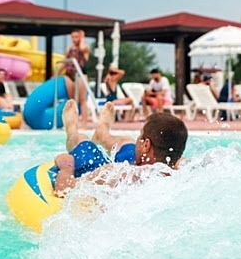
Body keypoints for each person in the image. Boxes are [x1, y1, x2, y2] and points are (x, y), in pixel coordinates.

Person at [53, 100, 187, 196]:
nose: (137, 139)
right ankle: (102, 133)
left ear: (146, 145)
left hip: (106, 176)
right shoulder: (180, 171)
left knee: (81, 139)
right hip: (138, 163)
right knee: (126, 141)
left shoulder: (119, 175)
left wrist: (66, 165)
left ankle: (71, 129)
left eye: (140, 135)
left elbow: (64, 188)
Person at [64, 29, 91, 125]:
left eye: (76, 37)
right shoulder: (69, 48)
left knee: (82, 99)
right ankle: (72, 122)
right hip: (69, 74)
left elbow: (83, 49)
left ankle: (84, 122)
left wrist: (82, 38)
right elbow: (65, 62)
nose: (74, 39)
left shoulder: (85, 47)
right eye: (72, 37)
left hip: (81, 74)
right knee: (71, 100)